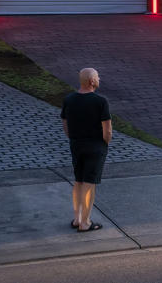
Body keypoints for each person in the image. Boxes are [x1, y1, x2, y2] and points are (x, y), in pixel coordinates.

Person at [61, 67, 112, 232]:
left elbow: (65, 123)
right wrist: (105, 142)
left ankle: (77, 218)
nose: (99, 79)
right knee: (90, 184)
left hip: (76, 145)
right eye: (97, 77)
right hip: (96, 146)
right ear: (92, 81)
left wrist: (74, 138)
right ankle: (85, 222)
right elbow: (108, 130)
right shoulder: (100, 101)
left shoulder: (69, 99)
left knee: (79, 181)